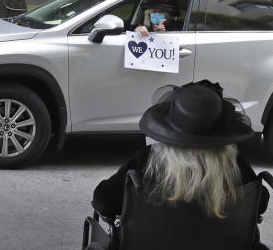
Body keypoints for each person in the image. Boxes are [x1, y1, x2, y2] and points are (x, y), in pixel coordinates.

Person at [92, 81, 258, 221]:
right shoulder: (234, 163)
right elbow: (258, 203)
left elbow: (104, 202)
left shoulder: (148, 158)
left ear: (170, 123)